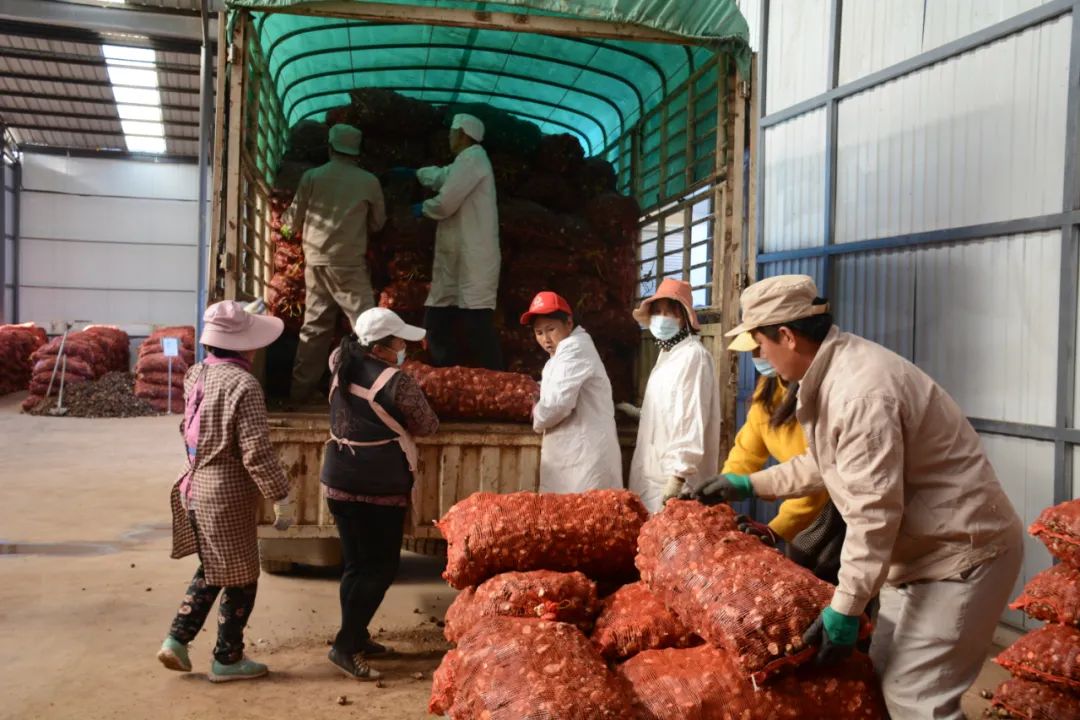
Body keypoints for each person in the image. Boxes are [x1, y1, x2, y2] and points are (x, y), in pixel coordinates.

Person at [690, 274, 1023, 720]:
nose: (757, 357)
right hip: (917, 555)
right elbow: (826, 464)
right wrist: (750, 484)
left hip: (960, 557)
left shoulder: (860, 393)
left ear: (786, 336)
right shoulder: (830, 375)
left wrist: (845, 607)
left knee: (917, 700)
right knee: (883, 677)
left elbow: (873, 514)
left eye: (759, 345)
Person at [158, 300, 294, 682]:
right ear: (246, 345)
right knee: (242, 577)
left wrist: (238, 318)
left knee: (214, 568)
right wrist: (281, 495)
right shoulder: (245, 385)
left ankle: (176, 640)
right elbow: (256, 453)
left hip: (192, 486)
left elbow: (189, 425)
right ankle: (227, 659)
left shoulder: (196, 374)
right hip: (226, 495)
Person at [322, 307, 439, 681]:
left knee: (356, 566)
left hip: (338, 479)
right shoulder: (398, 382)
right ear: (385, 347)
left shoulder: (340, 359)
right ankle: (345, 645)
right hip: (377, 486)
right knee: (381, 568)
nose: (404, 347)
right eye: (399, 341)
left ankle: (356, 635)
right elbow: (428, 425)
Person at [723, 332, 842, 583]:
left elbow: (815, 478)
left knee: (826, 588)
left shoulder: (819, 394)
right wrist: (721, 494)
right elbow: (747, 452)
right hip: (803, 504)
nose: (758, 356)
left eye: (761, 348)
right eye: (753, 351)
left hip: (833, 512)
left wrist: (776, 529)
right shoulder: (768, 390)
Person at [288, 123, 387, 402]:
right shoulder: (369, 181)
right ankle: (376, 393)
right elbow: (379, 223)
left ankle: (300, 394)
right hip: (349, 265)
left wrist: (288, 228)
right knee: (367, 326)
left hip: (315, 262)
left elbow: (292, 219)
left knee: (315, 328)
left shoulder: (311, 177)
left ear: (330, 148)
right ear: (356, 153)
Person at [409, 113, 501, 369]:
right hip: (460, 256)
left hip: (473, 257)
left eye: (451, 133)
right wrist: (417, 174)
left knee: (476, 323)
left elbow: (446, 201)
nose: (449, 138)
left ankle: (496, 378)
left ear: (461, 134)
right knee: (438, 319)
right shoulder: (467, 161)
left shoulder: (473, 159)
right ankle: (445, 375)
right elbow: (443, 176)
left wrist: (424, 208)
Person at [626, 278, 722, 513]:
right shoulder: (667, 354)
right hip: (651, 474)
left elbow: (691, 418)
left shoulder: (693, 357)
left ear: (685, 318)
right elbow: (668, 411)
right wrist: (640, 414)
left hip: (676, 482)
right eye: (657, 312)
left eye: (670, 312)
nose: (662, 318)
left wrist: (678, 476)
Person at [522, 291, 622, 494]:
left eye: (551, 329)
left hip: (584, 458)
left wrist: (537, 414)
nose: (545, 339)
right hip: (574, 455)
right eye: (539, 332)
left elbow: (557, 406)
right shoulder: (561, 353)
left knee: (587, 517)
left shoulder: (575, 349)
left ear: (568, 323)